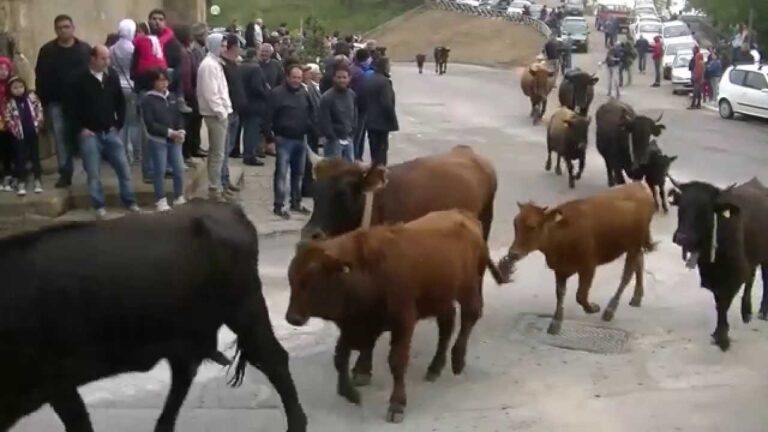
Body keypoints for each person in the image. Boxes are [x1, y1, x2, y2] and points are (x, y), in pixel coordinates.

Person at [70, 45, 140, 218]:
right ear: (93, 59)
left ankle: (130, 201)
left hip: (109, 131)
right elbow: (71, 108)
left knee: (123, 168)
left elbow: (120, 102)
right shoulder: (79, 79)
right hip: (89, 133)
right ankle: (98, 205)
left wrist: (118, 124)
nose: (107, 62)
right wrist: (81, 128)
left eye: (108, 58)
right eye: (103, 58)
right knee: (93, 172)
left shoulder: (112, 76)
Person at [35, 14, 91, 189]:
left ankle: (91, 172)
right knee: (60, 139)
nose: (63, 30)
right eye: (59, 27)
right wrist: (42, 104)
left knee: (85, 138)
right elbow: (40, 78)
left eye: (66, 26)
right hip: (56, 102)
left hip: (81, 103)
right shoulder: (47, 51)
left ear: (73, 28)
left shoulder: (84, 49)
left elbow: (91, 75)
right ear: (55, 30)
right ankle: (65, 173)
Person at [265, 64, 314, 219]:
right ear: (287, 77)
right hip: (283, 140)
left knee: (298, 174)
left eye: (299, 78)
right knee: (281, 174)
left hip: (300, 139)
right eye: (294, 77)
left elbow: (311, 113)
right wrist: (269, 139)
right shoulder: (276, 94)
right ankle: (279, 205)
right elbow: (266, 118)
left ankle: (296, 203)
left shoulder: (304, 93)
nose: (296, 81)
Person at [141, 69, 186, 211]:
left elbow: (178, 116)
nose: (164, 83)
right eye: (160, 80)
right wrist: (169, 132)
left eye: (166, 80)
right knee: (159, 170)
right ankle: (160, 199)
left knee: (178, 169)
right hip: (158, 140)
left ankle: (179, 196)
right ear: (153, 82)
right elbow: (150, 124)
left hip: (174, 140)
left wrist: (181, 131)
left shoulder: (171, 97)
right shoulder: (148, 99)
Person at [197, 33, 232, 202]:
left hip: (219, 112)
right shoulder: (209, 65)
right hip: (215, 114)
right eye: (222, 45)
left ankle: (217, 186)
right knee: (218, 153)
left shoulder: (215, 63)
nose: (225, 48)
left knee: (217, 152)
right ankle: (215, 189)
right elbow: (211, 93)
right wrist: (221, 112)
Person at [110, 19, 144, 176]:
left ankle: (122, 154)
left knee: (121, 122)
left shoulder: (112, 49)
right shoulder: (134, 48)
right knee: (134, 123)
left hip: (117, 87)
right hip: (132, 86)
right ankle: (137, 155)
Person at [4, 75, 43, 195]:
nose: (18, 90)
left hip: (32, 132)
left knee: (35, 156)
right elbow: (8, 117)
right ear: (10, 89)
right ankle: (21, 181)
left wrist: (37, 123)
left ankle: (37, 179)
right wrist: (14, 129)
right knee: (20, 157)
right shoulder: (9, 102)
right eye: (15, 88)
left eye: (21, 87)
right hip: (19, 135)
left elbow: (39, 110)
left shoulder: (31, 98)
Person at [360, 56, 398, 167]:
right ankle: (380, 172)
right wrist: (392, 118)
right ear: (385, 67)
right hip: (382, 122)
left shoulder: (368, 80)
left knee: (374, 150)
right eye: (389, 65)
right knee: (382, 150)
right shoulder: (385, 82)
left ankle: (374, 169)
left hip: (369, 120)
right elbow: (386, 103)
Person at [220, 34, 245, 193]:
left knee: (228, 149)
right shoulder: (223, 66)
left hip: (235, 110)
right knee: (223, 149)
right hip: (227, 111)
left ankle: (226, 178)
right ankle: (222, 181)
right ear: (234, 47)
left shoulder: (234, 65)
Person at [318, 62, 356, 161]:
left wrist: (352, 133)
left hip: (348, 139)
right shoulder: (327, 97)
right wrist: (332, 137)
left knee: (350, 171)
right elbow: (324, 120)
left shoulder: (352, 95)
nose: (342, 80)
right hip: (333, 141)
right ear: (334, 78)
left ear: (349, 78)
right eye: (339, 77)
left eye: (344, 77)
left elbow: (355, 114)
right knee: (334, 172)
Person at [240, 47, 268, 167]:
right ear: (254, 56)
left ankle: (247, 152)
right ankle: (250, 155)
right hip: (255, 104)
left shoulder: (241, 67)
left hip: (243, 103)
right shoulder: (256, 68)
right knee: (253, 130)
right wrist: (266, 94)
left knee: (247, 130)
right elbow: (257, 87)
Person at [186, 22, 208, 159]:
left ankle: (196, 146)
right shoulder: (196, 50)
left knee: (197, 121)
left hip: (198, 89)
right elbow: (197, 70)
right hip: (195, 89)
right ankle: (192, 148)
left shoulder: (200, 48)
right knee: (193, 122)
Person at [349, 48, 374, 162]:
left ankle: (357, 157)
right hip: (359, 109)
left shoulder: (354, 69)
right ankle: (356, 159)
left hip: (356, 108)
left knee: (358, 136)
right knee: (358, 137)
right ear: (366, 59)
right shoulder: (359, 73)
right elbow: (360, 93)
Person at [301, 63, 322, 198]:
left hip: (313, 129)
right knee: (306, 161)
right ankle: (305, 188)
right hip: (307, 129)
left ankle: (309, 185)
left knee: (310, 161)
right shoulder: (304, 90)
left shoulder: (312, 87)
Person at [0, 57, 14, 192]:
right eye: (0, 69)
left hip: (13, 121)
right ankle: (5, 172)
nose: (2, 72)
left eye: (5, 69)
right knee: (3, 147)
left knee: (13, 146)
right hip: (1, 121)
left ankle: (13, 173)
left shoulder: (13, 84)